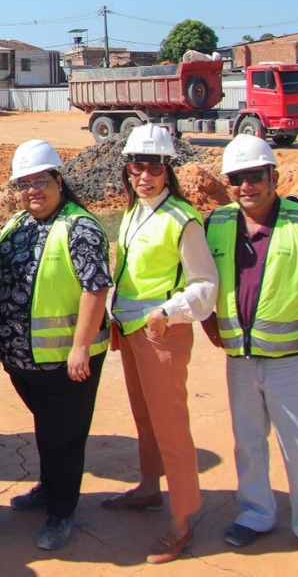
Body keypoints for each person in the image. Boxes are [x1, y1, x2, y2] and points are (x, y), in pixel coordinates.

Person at [206, 137, 298, 566]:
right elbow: (204, 281)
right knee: (248, 444)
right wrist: (211, 322)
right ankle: (256, 514)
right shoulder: (216, 223)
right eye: (237, 179)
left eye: (255, 177)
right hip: (241, 363)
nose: (246, 186)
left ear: (273, 178)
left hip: (291, 363)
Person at [106, 124, 217, 565]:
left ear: (168, 170)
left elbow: (205, 283)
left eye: (153, 166)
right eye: (137, 166)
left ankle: (182, 520)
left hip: (162, 333)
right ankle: (151, 488)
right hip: (131, 330)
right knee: (145, 418)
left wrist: (167, 312)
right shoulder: (135, 213)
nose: (144, 175)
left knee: (171, 427)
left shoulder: (181, 219)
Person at [0, 140, 112, 552]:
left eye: (40, 181)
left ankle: (61, 512)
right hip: (24, 360)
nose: (32, 191)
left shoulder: (80, 226)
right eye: (24, 185)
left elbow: (95, 289)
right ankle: (49, 488)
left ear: (59, 180)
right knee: (48, 431)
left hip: (66, 361)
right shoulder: (17, 224)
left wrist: (80, 347)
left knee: (64, 436)